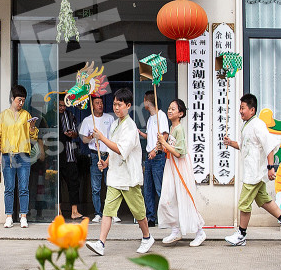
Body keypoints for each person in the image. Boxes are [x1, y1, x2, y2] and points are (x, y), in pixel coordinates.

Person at [222, 93, 281, 246]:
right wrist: (230, 143)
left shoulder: (258, 124)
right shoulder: (246, 125)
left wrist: (270, 168)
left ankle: (241, 235)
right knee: (263, 200)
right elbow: (244, 146)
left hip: (255, 172)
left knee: (244, 202)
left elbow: (269, 146)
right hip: (252, 171)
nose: (240, 111)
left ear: (252, 110)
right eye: (240, 108)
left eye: (243, 108)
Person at [85, 88, 152, 256]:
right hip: (115, 177)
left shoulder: (130, 126)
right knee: (108, 210)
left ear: (128, 105)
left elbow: (121, 150)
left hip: (129, 177)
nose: (116, 108)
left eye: (119, 105)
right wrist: (106, 162)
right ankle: (101, 243)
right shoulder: (115, 124)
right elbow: (113, 151)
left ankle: (147, 236)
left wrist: (101, 138)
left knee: (138, 212)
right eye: (114, 104)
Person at [157, 99, 207, 247]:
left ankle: (199, 231)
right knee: (167, 198)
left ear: (181, 113)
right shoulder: (172, 129)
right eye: (169, 108)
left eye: (173, 109)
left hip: (179, 168)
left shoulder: (179, 129)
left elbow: (180, 153)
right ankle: (175, 229)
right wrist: (162, 146)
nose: (170, 110)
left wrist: (164, 143)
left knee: (185, 199)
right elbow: (170, 151)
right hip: (170, 166)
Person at [0, 85, 38, 228]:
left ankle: (23, 216)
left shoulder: (26, 115)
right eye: (19, 100)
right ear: (12, 98)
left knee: (24, 187)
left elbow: (33, 137)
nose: (21, 103)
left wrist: (32, 127)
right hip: (8, 155)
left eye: (23, 100)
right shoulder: (3, 115)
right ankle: (9, 216)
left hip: (23, 155)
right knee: (9, 187)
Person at [80, 95, 115, 223]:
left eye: (101, 103)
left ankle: (111, 213)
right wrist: (92, 137)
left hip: (108, 154)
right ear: (92, 105)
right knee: (96, 187)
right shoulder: (88, 120)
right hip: (95, 155)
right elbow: (84, 139)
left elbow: (114, 136)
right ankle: (98, 213)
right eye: (97, 103)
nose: (100, 105)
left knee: (111, 184)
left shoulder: (110, 118)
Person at [140, 90, 169, 228]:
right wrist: (140, 133)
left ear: (147, 100)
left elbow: (164, 137)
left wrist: (155, 150)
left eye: (144, 100)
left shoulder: (160, 116)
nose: (143, 102)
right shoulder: (151, 118)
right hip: (149, 157)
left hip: (157, 157)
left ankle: (166, 218)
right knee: (148, 189)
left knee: (159, 188)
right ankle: (150, 217)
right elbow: (150, 137)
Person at [57, 96, 83, 220]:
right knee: (57, 185)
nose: (62, 107)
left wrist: (72, 134)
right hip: (56, 155)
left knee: (73, 183)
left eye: (64, 105)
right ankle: (58, 212)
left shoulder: (70, 115)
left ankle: (74, 211)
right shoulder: (51, 116)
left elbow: (76, 133)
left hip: (70, 154)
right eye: (60, 105)